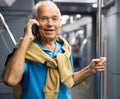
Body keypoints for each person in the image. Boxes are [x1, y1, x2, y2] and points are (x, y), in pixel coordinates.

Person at [2, 1, 106, 99]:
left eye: (54, 19)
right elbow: (10, 80)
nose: (50, 23)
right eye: (44, 18)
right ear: (34, 22)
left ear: (59, 23)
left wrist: (89, 69)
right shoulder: (26, 51)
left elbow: (68, 80)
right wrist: (26, 39)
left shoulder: (64, 49)